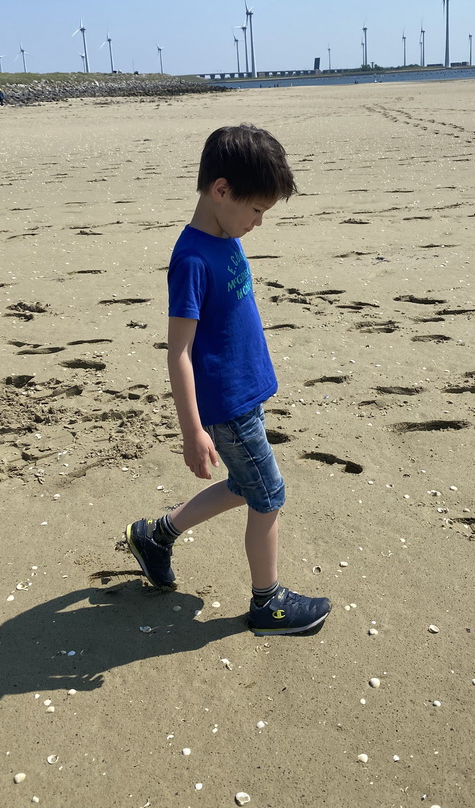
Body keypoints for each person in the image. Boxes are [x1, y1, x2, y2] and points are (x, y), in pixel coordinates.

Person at [125, 124, 331, 636]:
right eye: (256, 210)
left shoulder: (226, 234)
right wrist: (192, 430)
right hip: (227, 407)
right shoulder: (193, 258)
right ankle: (268, 602)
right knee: (269, 496)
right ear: (221, 190)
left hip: (246, 393)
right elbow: (179, 351)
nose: (259, 222)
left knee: (246, 485)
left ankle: (156, 536)